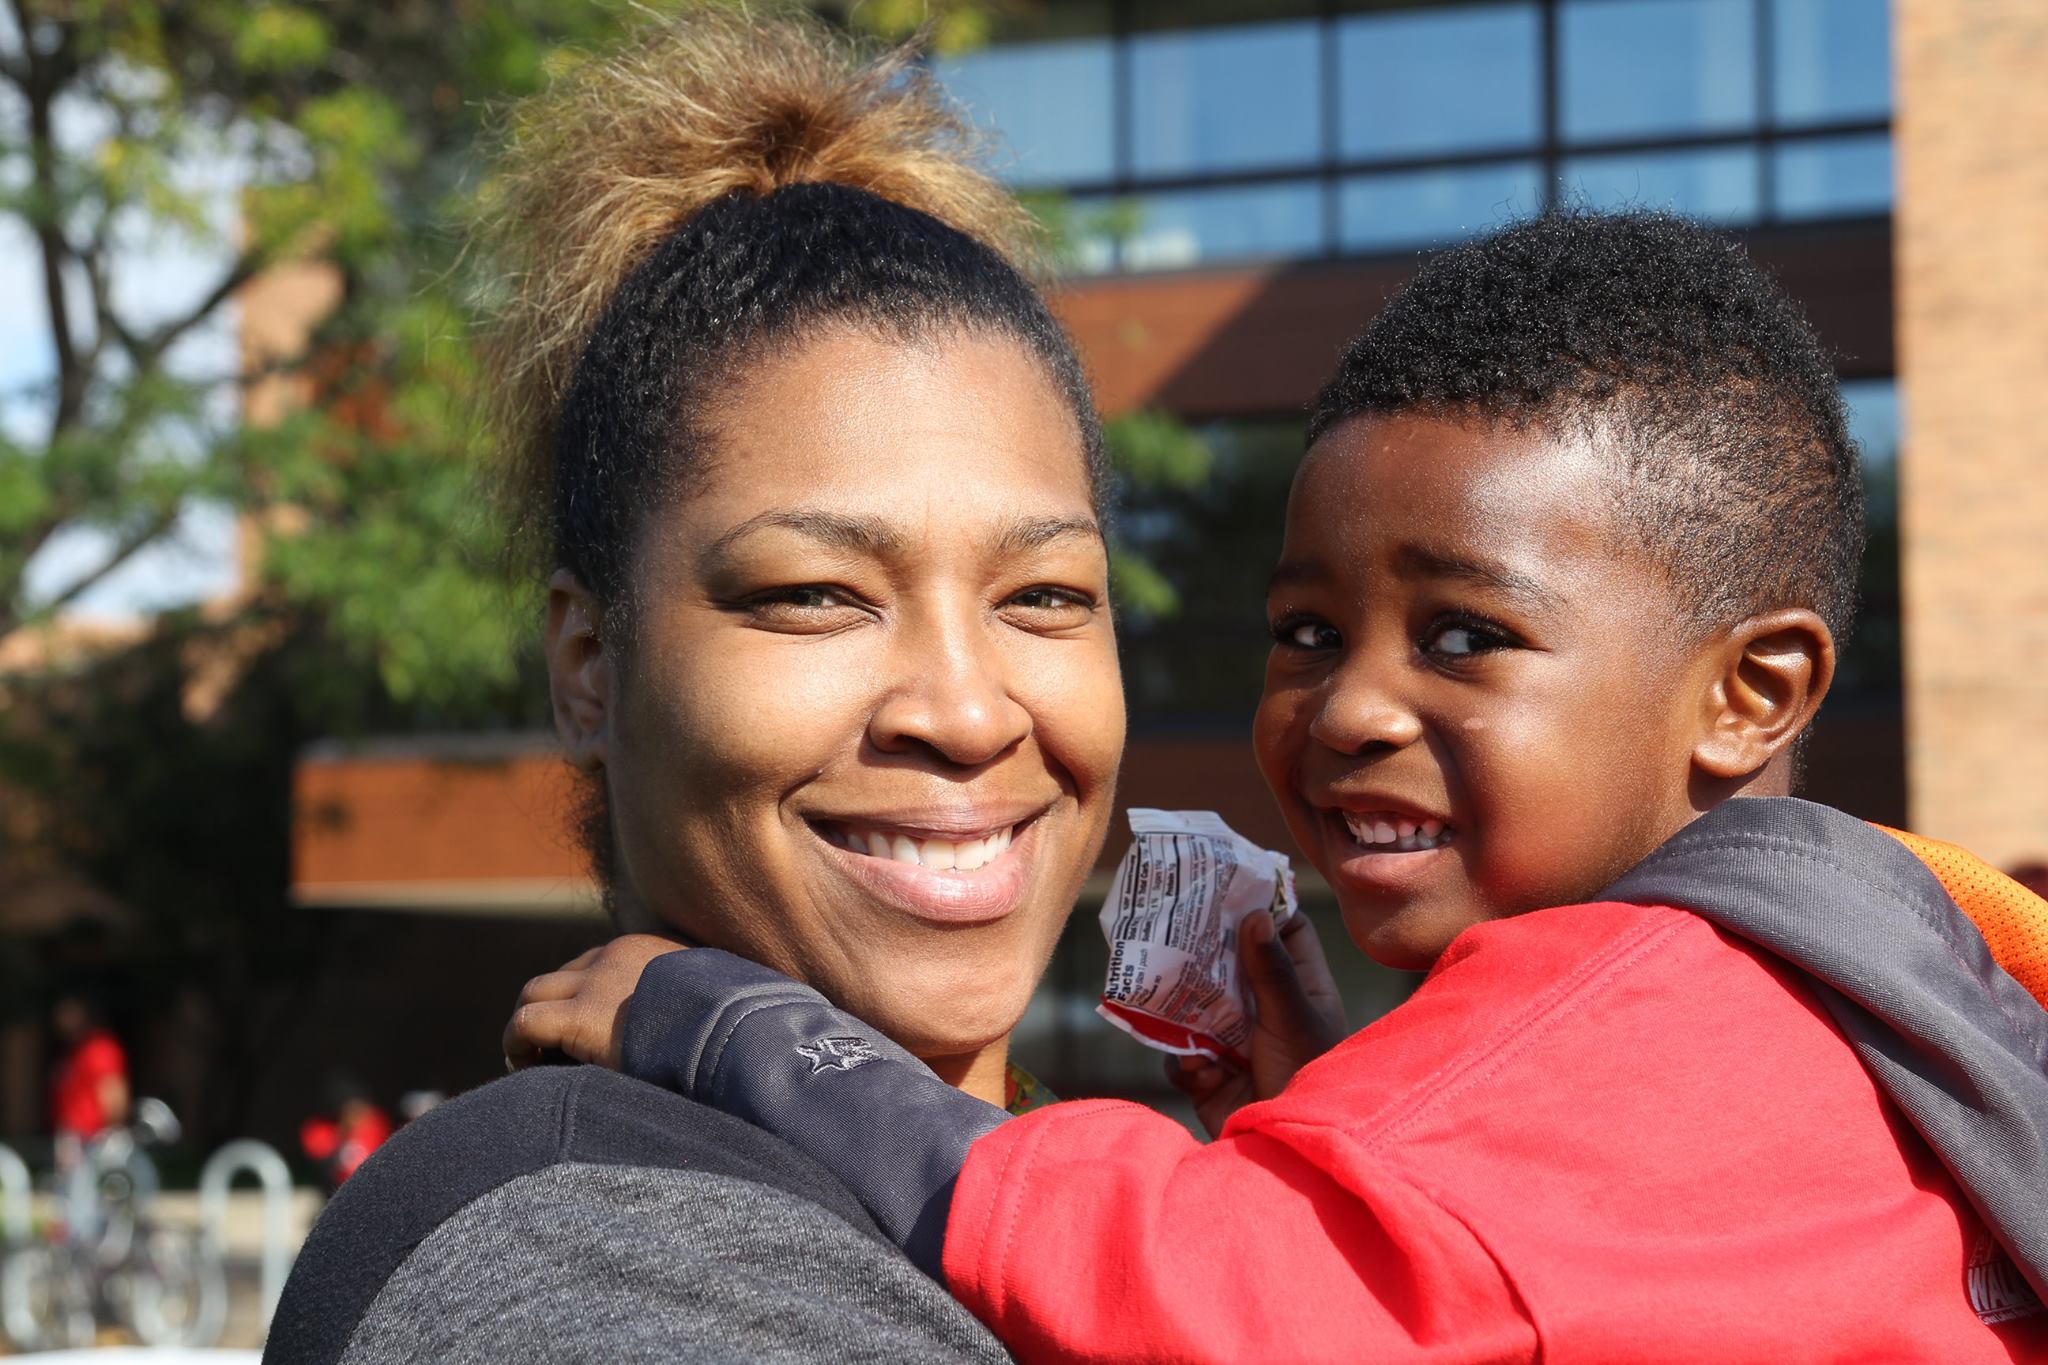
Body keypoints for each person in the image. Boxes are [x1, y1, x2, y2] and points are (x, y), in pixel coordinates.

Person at [513, 213, 2048, 1361]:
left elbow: (1193, 1290)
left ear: (1752, 694)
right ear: (589, 661)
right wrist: (1368, 1146)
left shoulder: (1654, 991)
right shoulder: (1869, 999)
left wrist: (729, 1029)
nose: (1351, 704)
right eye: (1306, 630)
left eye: (1466, 634)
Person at [265, 13, 1127, 1363]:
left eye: (1046, 598)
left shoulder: (1123, 1204)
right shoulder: (600, 1263)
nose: (966, 711)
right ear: (589, 665)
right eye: (814, 596)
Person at [48, 995, 129, 1173]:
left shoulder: (101, 1048)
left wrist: (112, 1130)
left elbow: (113, 1090)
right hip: (73, 1135)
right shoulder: (75, 1051)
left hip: (94, 1137)